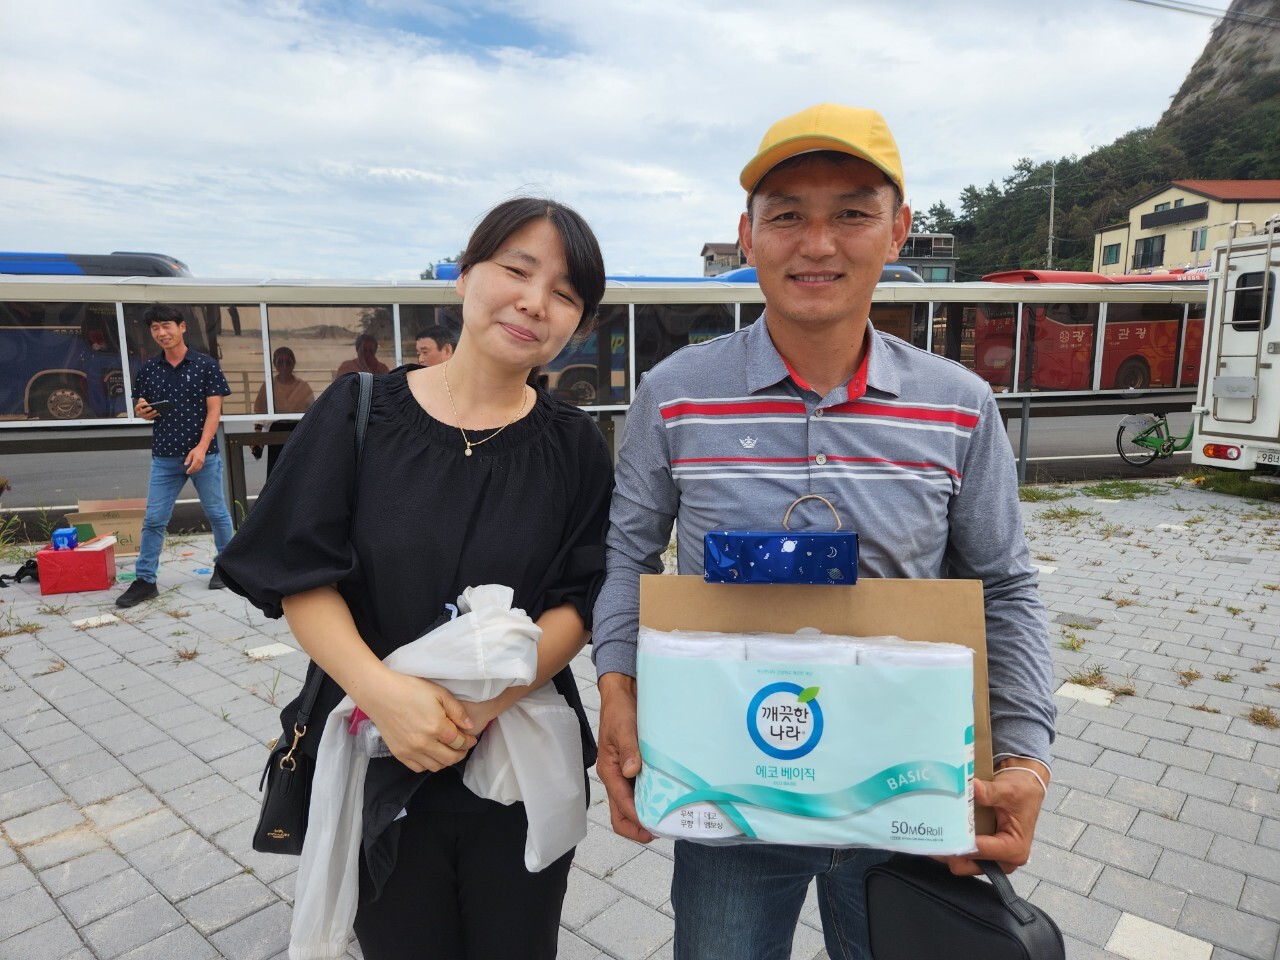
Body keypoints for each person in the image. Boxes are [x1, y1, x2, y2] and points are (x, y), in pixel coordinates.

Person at [592, 103, 1057, 960]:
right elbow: (628, 553)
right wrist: (616, 690)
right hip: (727, 790)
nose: (817, 244)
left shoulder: (959, 406)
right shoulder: (674, 393)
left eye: (850, 213)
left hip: (908, 795)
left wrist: (1024, 757)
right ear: (747, 236)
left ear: (898, 230)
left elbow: (1005, 585)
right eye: (786, 216)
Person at [215, 197, 612, 960]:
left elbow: (581, 599)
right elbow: (301, 574)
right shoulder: (359, 412)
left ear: (577, 323)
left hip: (519, 763)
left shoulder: (576, 447)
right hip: (375, 751)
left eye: (565, 294)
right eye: (517, 270)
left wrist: (478, 709)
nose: (535, 302)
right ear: (464, 277)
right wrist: (385, 698)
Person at [116, 304, 236, 608]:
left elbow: (214, 411)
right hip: (165, 457)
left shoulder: (206, 365)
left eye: (166, 325)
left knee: (217, 514)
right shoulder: (149, 369)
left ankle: (227, 568)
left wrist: (201, 447)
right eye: (155, 327)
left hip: (203, 455)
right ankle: (145, 580)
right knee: (154, 519)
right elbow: (142, 407)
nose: (161, 332)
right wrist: (143, 411)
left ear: (182, 327)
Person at [251, 346, 316, 475]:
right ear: (275, 364)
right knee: (276, 472)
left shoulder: (303, 387)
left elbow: (313, 414)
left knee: (299, 473)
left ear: (293, 364)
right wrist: (257, 438)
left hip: (299, 432)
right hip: (276, 433)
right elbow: (260, 411)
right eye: (280, 362)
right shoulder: (269, 386)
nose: (284, 366)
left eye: (288, 362)